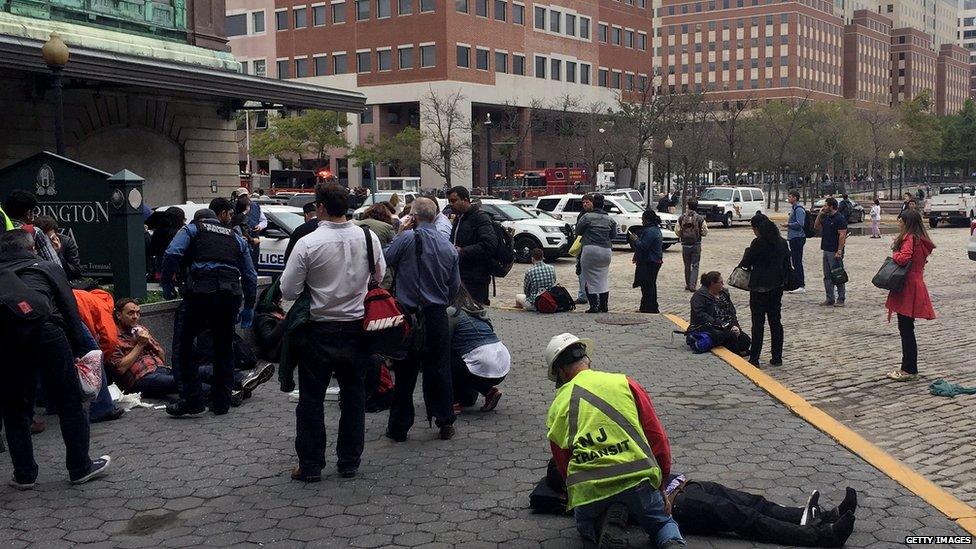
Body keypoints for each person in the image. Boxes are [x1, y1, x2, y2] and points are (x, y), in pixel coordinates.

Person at [280, 184, 385, 482]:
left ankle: (311, 465)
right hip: (358, 328)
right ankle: (349, 461)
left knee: (311, 399)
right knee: (353, 396)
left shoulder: (309, 243)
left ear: (321, 207)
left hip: (319, 329)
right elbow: (379, 275)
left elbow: (288, 289)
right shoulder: (368, 237)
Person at [544, 333, 684, 549]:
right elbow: (657, 438)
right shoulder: (625, 383)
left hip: (590, 489)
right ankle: (671, 543)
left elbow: (562, 461)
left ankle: (601, 526)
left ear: (560, 372)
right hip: (637, 480)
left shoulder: (557, 405)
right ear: (587, 360)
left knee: (584, 525)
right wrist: (662, 484)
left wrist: (576, 494)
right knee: (662, 523)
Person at [0, 230, 110, 489]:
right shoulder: (45, 266)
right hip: (46, 332)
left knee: (15, 408)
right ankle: (79, 467)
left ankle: (24, 475)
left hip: (6, 339)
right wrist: (80, 347)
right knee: (69, 401)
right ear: (31, 248)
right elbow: (70, 309)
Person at [160, 200, 258, 417]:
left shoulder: (193, 228)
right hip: (230, 295)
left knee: (185, 347)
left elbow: (172, 253)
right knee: (224, 348)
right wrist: (249, 306)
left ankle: (192, 400)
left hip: (201, 293)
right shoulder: (235, 236)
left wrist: (167, 282)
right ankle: (221, 401)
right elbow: (250, 276)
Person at [384, 197, 460, 442]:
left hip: (409, 314)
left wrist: (400, 230)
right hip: (437, 314)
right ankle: (445, 420)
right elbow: (454, 286)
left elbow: (386, 258)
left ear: (413, 217)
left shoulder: (407, 238)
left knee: (405, 370)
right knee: (439, 368)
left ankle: (399, 426)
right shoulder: (448, 246)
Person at [884, 210, 936, 382]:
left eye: (901, 220)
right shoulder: (921, 240)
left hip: (907, 287)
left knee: (905, 330)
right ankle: (908, 366)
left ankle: (909, 368)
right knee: (908, 329)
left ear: (907, 222)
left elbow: (904, 258)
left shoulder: (909, 238)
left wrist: (894, 255)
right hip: (916, 283)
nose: (899, 223)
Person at [738, 214, 791, 367]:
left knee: (758, 323)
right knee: (775, 322)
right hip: (777, 287)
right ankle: (777, 357)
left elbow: (746, 263)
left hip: (759, 287)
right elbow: (787, 262)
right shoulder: (782, 243)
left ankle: (755, 358)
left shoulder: (758, 243)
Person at [448, 288, 509, 413]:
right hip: (502, 360)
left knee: (449, 357)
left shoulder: (451, 312)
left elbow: (444, 341)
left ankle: (453, 402)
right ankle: (489, 391)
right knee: (471, 364)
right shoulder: (475, 308)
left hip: (481, 360)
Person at [448, 186, 498, 305]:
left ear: (465, 200)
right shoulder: (459, 218)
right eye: (449, 201)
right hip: (460, 275)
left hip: (476, 278)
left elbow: (489, 244)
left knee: (475, 314)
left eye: (454, 201)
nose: (451, 204)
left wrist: (462, 251)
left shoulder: (479, 217)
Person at [689, 271, 751, 356]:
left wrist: (735, 325)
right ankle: (736, 353)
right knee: (731, 337)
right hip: (709, 327)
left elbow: (732, 312)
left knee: (745, 340)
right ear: (712, 284)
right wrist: (723, 325)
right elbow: (701, 315)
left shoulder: (723, 293)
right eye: (720, 282)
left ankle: (736, 348)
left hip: (727, 326)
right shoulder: (699, 296)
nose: (722, 284)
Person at [576, 193, 616, 313]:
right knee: (603, 279)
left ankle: (594, 306)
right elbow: (613, 235)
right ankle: (604, 306)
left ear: (593, 204)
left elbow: (578, 231)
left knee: (588, 279)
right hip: (606, 251)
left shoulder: (587, 217)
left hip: (590, 250)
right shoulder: (610, 219)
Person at [2, 190, 61, 268]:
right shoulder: (35, 232)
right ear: (28, 213)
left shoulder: (2, 231)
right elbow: (55, 267)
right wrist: (56, 252)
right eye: (33, 211)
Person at [814, 197, 848, 307]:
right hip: (826, 249)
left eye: (826, 205)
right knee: (827, 276)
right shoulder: (827, 217)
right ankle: (829, 298)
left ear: (831, 206)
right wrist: (820, 214)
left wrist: (839, 250)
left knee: (837, 275)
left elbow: (842, 235)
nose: (824, 207)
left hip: (834, 251)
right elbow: (816, 226)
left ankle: (841, 298)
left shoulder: (839, 219)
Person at [631, 209, 664, 313]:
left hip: (650, 261)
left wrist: (635, 239)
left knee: (647, 285)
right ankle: (648, 306)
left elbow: (643, 246)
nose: (642, 221)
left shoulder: (650, 231)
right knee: (649, 284)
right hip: (653, 260)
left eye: (643, 219)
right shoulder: (654, 229)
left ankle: (649, 307)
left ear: (647, 219)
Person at [34, 216, 82, 280]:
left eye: (48, 239)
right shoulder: (32, 243)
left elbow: (76, 273)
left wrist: (58, 254)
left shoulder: (66, 242)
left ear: (56, 234)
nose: (46, 243)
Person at [675, 199, 707, 293]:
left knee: (687, 265)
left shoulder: (682, 218)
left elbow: (677, 231)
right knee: (695, 265)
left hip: (685, 245)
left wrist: (682, 235)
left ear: (688, 206)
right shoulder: (700, 218)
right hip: (696, 244)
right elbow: (705, 231)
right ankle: (693, 285)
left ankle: (688, 284)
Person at [148, 207, 186, 280]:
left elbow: (152, 249)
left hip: (160, 266)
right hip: (174, 267)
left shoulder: (158, 231)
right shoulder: (179, 232)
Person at [784, 191, 807, 293]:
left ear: (794, 198)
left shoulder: (798, 209)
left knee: (797, 261)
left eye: (790, 197)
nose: (788, 198)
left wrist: (788, 225)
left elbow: (800, 223)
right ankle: (797, 283)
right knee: (795, 261)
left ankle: (801, 285)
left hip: (798, 237)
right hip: (793, 238)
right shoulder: (793, 208)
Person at [232, 195, 260, 267]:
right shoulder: (244, 218)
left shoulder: (233, 217)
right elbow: (245, 232)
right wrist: (253, 240)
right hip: (244, 247)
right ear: (246, 207)